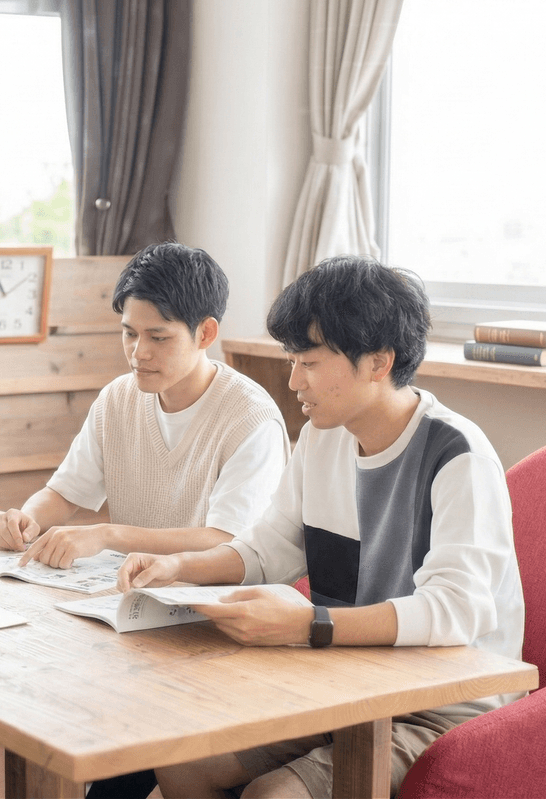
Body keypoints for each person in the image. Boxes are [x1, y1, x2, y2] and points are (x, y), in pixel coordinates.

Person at [116, 256, 525, 799]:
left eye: (308, 363)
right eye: (292, 361)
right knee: (183, 764)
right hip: (343, 682)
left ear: (378, 362)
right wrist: (179, 567)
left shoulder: (457, 457)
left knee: (273, 796)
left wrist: (311, 625)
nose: (293, 381)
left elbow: (456, 611)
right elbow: (269, 550)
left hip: (440, 706)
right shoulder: (322, 435)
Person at [0, 241, 290, 799]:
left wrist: (107, 534)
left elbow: (228, 543)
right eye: (129, 333)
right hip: (133, 617)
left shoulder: (250, 419)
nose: (138, 353)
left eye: (158, 337)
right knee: (27, 687)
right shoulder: (119, 399)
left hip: (213, 630)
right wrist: (24, 519)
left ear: (206, 333)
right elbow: (64, 492)